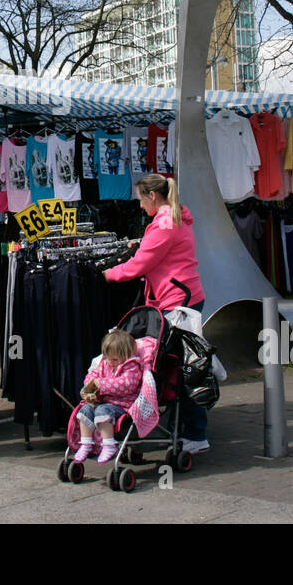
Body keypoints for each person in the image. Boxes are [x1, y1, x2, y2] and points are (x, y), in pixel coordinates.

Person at [102, 173, 210, 454]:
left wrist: (107, 274)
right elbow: (155, 255)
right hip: (182, 298)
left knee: (184, 368)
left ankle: (196, 435)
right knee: (182, 365)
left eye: (140, 199)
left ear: (152, 196)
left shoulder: (164, 224)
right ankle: (187, 428)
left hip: (177, 302)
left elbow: (140, 265)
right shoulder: (173, 219)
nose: (139, 206)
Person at [73, 329, 144, 465]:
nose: (110, 362)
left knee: (102, 411)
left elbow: (126, 385)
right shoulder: (106, 363)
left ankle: (109, 444)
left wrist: (103, 384)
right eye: (108, 358)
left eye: (115, 359)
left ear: (126, 355)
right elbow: (95, 373)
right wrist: (91, 383)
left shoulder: (132, 367)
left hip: (122, 405)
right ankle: (86, 443)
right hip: (105, 402)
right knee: (85, 409)